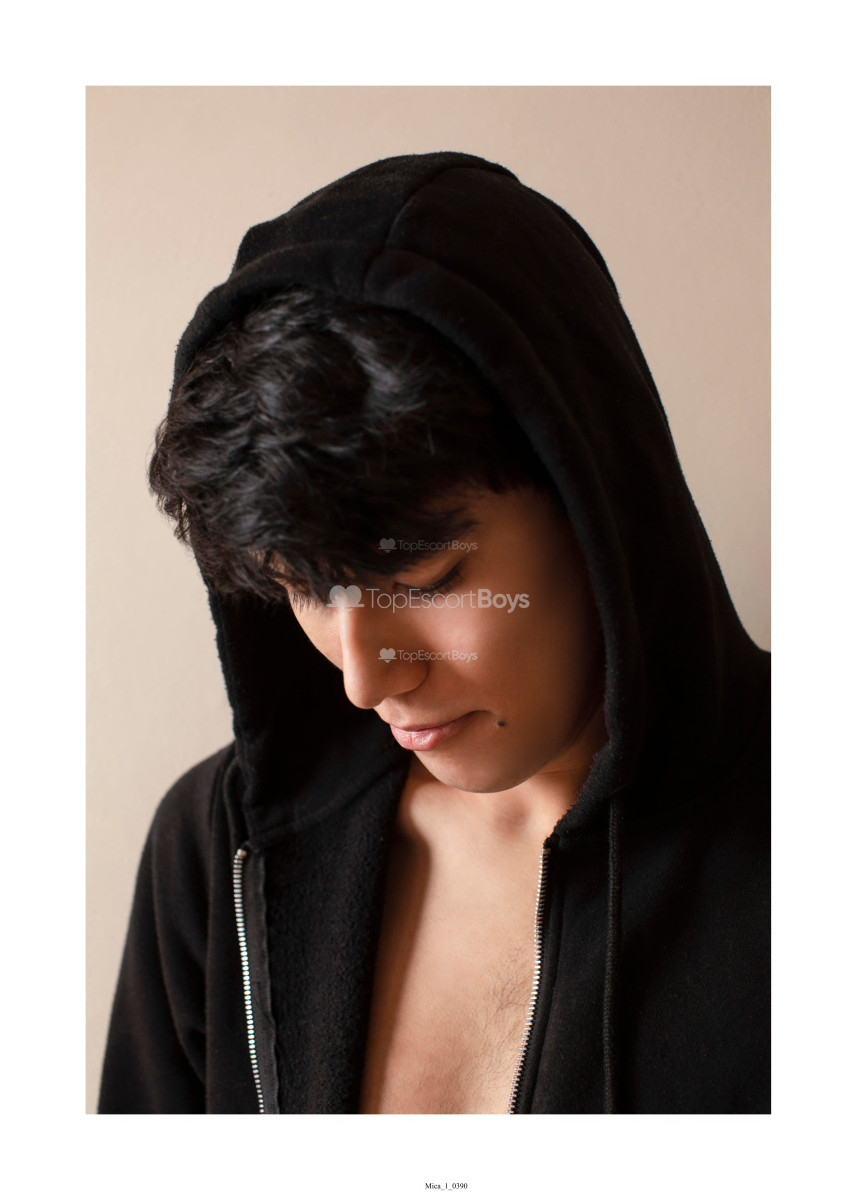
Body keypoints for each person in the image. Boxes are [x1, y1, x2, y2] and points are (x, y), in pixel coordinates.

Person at [98, 150, 770, 1114]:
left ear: (593, 501)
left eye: (428, 580)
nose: (366, 681)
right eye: (304, 590)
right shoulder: (219, 849)